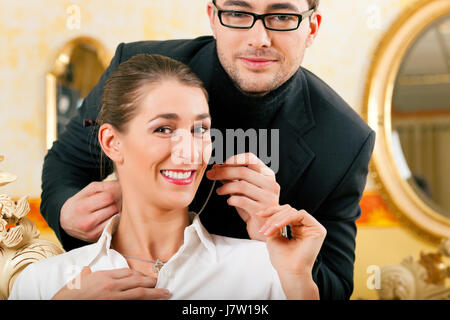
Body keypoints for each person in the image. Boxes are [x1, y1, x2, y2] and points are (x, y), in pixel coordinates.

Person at [40, 0, 375, 299]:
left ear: (311, 27)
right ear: (213, 17)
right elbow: (66, 164)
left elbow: (335, 285)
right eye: (238, 12)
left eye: (283, 16)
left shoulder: (345, 141)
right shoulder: (140, 68)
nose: (259, 39)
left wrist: (279, 238)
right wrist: (66, 213)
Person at [9, 54, 326, 300]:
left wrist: (298, 280)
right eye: (163, 129)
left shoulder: (264, 269)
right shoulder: (43, 282)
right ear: (112, 142)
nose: (189, 152)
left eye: (200, 129)